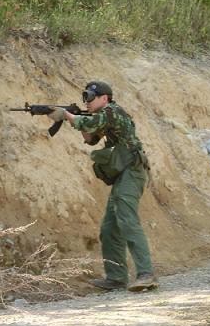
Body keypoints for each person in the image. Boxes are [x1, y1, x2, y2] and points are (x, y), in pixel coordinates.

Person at [47, 81, 158, 292]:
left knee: (127, 221)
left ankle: (146, 274)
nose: (86, 101)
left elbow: (88, 125)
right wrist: (71, 118)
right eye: (85, 98)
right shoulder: (101, 117)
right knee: (109, 228)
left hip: (132, 171)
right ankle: (116, 277)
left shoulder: (112, 111)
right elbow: (89, 138)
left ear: (104, 98)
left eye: (90, 97)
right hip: (123, 173)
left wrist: (67, 116)